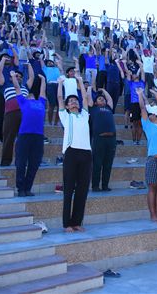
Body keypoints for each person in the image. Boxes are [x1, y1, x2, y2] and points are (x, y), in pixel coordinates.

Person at [57, 74, 92, 232]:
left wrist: (80, 81)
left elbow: (85, 97)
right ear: (67, 106)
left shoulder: (84, 115)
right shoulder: (65, 116)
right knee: (69, 188)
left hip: (86, 153)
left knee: (82, 189)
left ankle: (77, 222)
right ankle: (67, 224)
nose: (74, 102)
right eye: (70, 101)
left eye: (75, 101)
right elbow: (59, 97)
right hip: (71, 153)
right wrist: (60, 83)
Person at [137, 87, 157, 223]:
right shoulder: (147, 125)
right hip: (154, 160)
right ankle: (153, 215)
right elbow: (142, 108)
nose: (151, 115)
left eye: (153, 114)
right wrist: (140, 94)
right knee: (152, 187)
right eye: (149, 115)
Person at [11, 71, 46, 197]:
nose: (30, 95)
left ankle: (28, 188)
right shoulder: (23, 101)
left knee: (34, 163)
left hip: (38, 137)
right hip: (24, 136)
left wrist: (43, 80)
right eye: (28, 94)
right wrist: (14, 77)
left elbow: (42, 91)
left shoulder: (41, 102)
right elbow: (17, 88)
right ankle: (20, 188)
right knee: (21, 163)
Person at [88, 88, 117, 192]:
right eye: (100, 99)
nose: (102, 100)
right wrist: (89, 88)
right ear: (95, 102)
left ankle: (105, 186)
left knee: (108, 164)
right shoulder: (93, 109)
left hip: (111, 139)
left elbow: (110, 100)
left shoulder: (109, 108)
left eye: (103, 99)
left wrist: (104, 90)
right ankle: (95, 186)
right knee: (97, 164)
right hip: (99, 139)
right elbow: (88, 98)